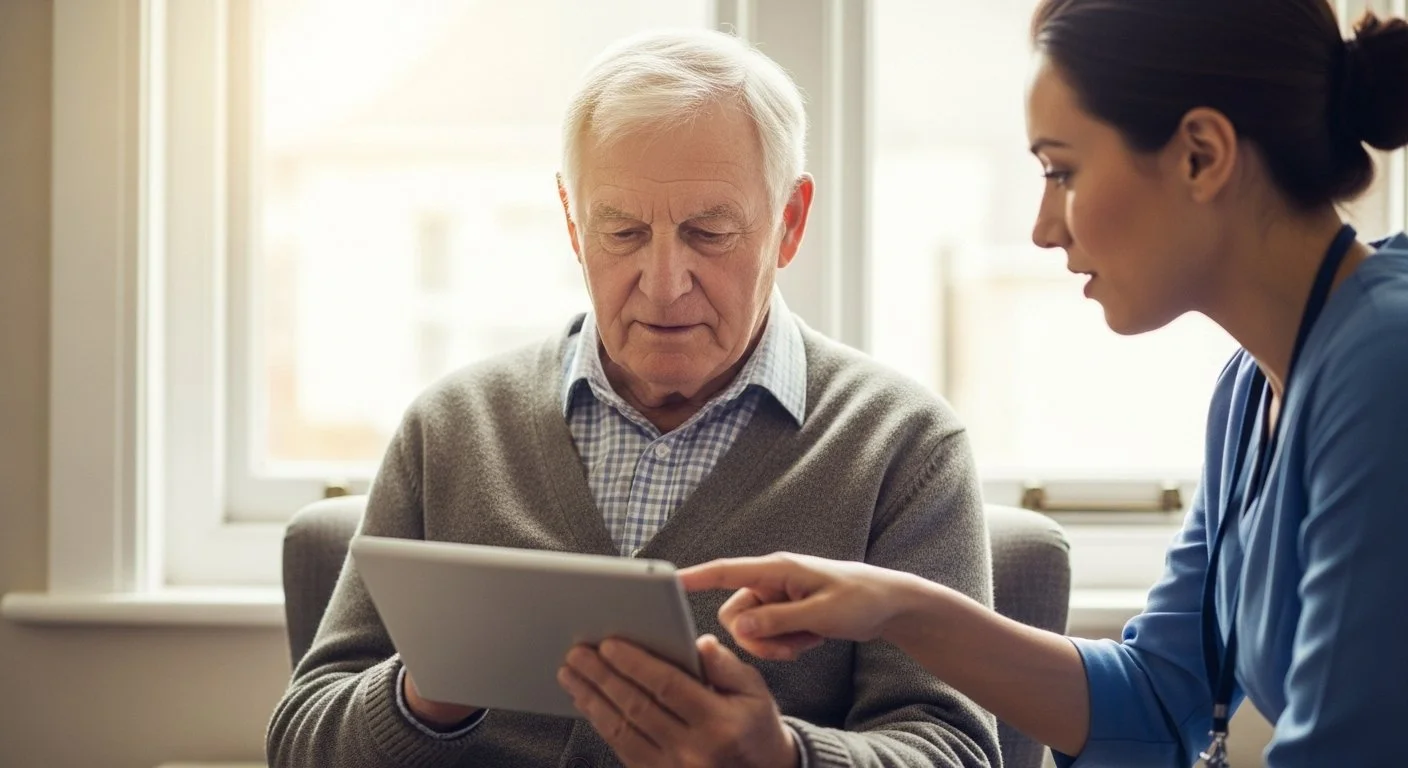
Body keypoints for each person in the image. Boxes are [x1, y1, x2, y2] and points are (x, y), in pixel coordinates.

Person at [681, 2, 1408, 766]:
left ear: (1201, 154)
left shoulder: (1384, 371)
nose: (1042, 227)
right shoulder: (1253, 389)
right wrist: (894, 605)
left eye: (1061, 171)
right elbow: (1159, 700)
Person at [266, 28, 1002, 768]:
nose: (662, 281)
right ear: (570, 220)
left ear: (789, 222)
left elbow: (956, 753)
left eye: (708, 232)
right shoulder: (452, 429)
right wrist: (425, 691)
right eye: (621, 231)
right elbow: (299, 743)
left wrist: (782, 758)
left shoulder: (903, 446)